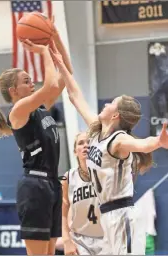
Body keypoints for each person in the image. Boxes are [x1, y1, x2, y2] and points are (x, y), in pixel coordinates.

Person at [49, 43, 168, 255]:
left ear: (116, 115)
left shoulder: (119, 140)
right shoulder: (96, 132)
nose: (105, 104)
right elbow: (75, 96)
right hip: (105, 215)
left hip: (122, 215)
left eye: (111, 103)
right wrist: (61, 65)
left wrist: (159, 142)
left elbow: (142, 144)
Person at [0, 25, 72, 255]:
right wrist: (44, 51)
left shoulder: (41, 109)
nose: (31, 82)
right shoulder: (18, 111)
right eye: (26, 81)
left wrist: (55, 41)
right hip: (34, 187)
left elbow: (66, 75)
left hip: (52, 184)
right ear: (14, 90)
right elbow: (52, 85)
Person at [62, 132, 104, 255]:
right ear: (75, 151)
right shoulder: (68, 177)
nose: (85, 145)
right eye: (81, 143)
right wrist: (66, 240)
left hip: (106, 238)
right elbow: (63, 212)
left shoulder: (105, 173)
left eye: (89, 142)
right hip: (80, 241)